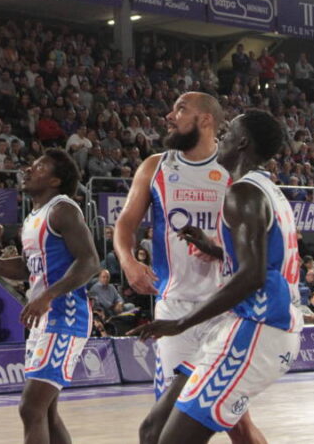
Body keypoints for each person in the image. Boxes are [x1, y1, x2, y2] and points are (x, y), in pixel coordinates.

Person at [130, 110, 303, 442]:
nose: (219, 141)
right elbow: (265, 264)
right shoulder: (268, 191)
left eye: (226, 135)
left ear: (242, 142)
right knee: (152, 430)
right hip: (242, 325)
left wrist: (182, 323)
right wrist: (217, 251)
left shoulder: (244, 193)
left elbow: (253, 276)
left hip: (260, 327)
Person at [113, 92, 264, 444]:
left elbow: (256, 240)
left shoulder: (234, 171)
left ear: (206, 120)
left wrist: (220, 249)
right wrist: (129, 261)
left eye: (181, 109)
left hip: (225, 310)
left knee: (236, 422)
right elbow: (124, 225)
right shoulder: (155, 166)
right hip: (174, 309)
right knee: (164, 426)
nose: (170, 115)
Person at [0, 149, 99, 444]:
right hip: (45, 318)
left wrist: (49, 296)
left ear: (55, 180)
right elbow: (23, 267)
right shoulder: (33, 217)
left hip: (65, 316)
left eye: (39, 167)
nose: (28, 170)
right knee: (46, 413)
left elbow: (90, 261)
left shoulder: (62, 210)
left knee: (30, 408)